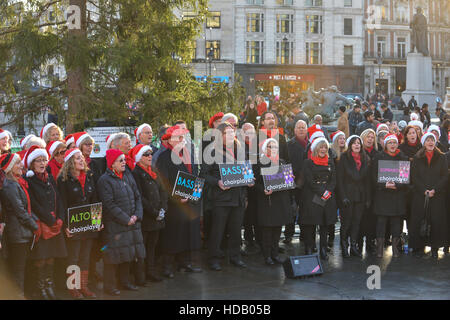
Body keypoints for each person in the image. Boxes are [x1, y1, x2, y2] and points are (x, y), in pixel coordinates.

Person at [200, 122, 248, 271]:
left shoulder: (239, 149)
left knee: (235, 230)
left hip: (238, 196)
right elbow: (204, 174)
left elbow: (245, 170)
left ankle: (235, 257)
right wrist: (218, 182)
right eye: (227, 133)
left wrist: (249, 181)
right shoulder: (212, 151)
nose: (230, 135)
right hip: (221, 197)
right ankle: (213, 259)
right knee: (218, 230)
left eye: (232, 132)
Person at [155, 125, 202, 277]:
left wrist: (195, 193)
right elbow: (163, 182)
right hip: (174, 203)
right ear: (169, 140)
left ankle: (185, 262)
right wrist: (176, 197)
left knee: (188, 233)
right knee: (173, 234)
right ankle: (167, 266)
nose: (182, 140)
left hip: (190, 201)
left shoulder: (189, 155)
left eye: (183, 137)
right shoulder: (164, 157)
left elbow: (195, 175)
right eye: (178, 137)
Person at [97, 149, 145, 295]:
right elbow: (109, 204)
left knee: (128, 254)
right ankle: (110, 286)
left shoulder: (128, 176)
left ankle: (125, 282)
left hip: (131, 223)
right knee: (112, 258)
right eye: (120, 160)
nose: (124, 162)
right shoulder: (104, 180)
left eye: (124, 160)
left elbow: (137, 197)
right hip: (115, 226)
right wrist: (126, 219)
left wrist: (137, 215)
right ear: (112, 164)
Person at [24, 145, 67, 300]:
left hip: (55, 224)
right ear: (31, 163)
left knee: (52, 257)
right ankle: (41, 287)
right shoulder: (30, 180)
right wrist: (50, 220)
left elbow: (59, 199)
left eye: (44, 160)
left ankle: (49, 285)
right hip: (43, 225)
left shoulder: (49, 178)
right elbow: (34, 204)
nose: (42, 163)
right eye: (38, 160)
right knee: (41, 259)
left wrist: (61, 217)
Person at [57, 148, 99, 299]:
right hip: (73, 225)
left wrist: (97, 220)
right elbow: (61, 204)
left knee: (85, 256)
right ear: (70, 162)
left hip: (87, 224)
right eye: (78, 158)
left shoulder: (89, 176)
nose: (82, 160)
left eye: (82, 157)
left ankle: (84, 286)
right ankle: (72, 288)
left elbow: (94, 198)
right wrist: (66, 226)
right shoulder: (63, 180)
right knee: (73, 257)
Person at [0, 153, 38, 298]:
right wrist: (34, 226)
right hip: (18, 233)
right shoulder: (9, 186)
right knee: (18, 269)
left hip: (22, 231)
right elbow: (20, 211)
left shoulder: (15, 183)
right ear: (9, 168)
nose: (21, 165)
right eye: (17, 163)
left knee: (22, 267)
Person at [131, 144, 167, 282]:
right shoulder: (136, 173)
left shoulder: (154, 170)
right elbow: (140, 196)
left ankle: (150, 271)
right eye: (146, 154)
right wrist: (154, 212)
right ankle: (140, 275)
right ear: (139, 157)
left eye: (151, 153)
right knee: (142, 247)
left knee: (152, 246)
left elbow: (163, 191)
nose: (150, 156)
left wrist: (163, 209)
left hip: (158, 215)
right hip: (146, 217)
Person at [410, 132, 448, 258]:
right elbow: (414, 176)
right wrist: (424, 190)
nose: (430, 142)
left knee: (436, 221)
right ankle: (419, 246)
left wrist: (434, 190)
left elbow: (445, 176)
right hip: (421, 195)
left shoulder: (442, 157)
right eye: (428, 140)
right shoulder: (417, 158)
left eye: (432, 140)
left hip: (437, 195)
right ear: (424, 143)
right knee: (421, 220)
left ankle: (435, 248)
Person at [254, 138, 292, 265]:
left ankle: (275, 255)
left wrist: (289, 178)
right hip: (267, 201)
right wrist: (263, 189)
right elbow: (255, 183)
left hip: (280, 201)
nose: (273, 149)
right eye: (270, 146)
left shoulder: (282, 162)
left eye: (275, 147)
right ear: (265, 149)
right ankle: (267, 256)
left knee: (277, 230)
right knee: (267, 231)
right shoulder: (260, 163)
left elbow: (287, 182)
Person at [372, 134, 408, 258]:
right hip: (382, 196)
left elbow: (405, 178)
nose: (392, 145)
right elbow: (373, 176)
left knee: (396, 223)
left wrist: (397, 185)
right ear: (386, 145)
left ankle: (395, 249)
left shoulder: (403, 158)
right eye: (390, 143)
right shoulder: (378, 157)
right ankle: (379, 249)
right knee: (381, 223)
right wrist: (383, 185)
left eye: (394, 142)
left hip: (397, 196)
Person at [300, 137, 337, 259]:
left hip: (327, 197)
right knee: (311, 224)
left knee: (325, 225)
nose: (323, 149)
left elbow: (333, 180)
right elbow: (310, 181)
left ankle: (323, 249)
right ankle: (309, 247)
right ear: (315, 148)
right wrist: (322, 192)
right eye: (321, 147)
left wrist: (328, 192)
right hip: (312, 196)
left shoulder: (331, 162)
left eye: (325, 147)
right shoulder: (308, 163)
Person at [337, 136, 371, 258]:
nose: (357, 145)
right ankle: (344, 246)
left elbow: (367, 181)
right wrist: (343, 196)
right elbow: (339, 180)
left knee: (357, 222)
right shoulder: (344, 159)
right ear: (350, 145)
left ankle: (354, 245)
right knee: (347, 222)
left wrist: (368, 198)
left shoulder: (366, 159)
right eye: (354, 143)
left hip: (360, 195)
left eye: (358, 143)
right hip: (348, 195)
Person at [285, 120, 308, 244]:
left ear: (307, 129)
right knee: (291, 210)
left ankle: (304, 234)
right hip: (292, 182)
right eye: (298, 127)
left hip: (306, 184)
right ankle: (289, 234)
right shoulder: (289, 144)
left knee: (305, 210)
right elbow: (285, 163)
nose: (301, 130)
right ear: (294, 130)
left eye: (303, 127)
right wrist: (289, 181)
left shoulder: (310, 144)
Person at [359, 128, 378, 255]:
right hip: (360, 190)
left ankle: (371, 242)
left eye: (372, 137)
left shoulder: (377, 153)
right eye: (368, 137)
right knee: (360, 218)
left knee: (372, 218)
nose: (370, 139)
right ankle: (358, 242)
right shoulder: (358, 152)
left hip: (375, 190)